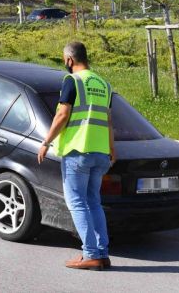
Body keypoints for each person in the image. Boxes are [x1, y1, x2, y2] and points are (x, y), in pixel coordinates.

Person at [37, 41, 116, 271]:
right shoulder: (104, 84)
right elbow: (109, 121)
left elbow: (62, 114)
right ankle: (102, 253)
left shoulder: (72, 81)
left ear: (69, 60)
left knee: (77, 202)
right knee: (94, 202)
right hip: (101, 153)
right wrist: (112, 149)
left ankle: (90, 254)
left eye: (65, 60)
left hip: (78, 152)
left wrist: (46, 142)